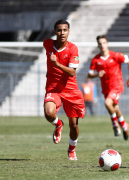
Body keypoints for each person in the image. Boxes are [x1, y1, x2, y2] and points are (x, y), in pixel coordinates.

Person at [43, 19, 85, 160]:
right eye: (59, 30)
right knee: (49, 113)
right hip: (54, 89)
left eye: (65, 30)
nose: (62, 33)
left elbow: (72, 72)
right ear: (55, 32)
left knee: (74, 126)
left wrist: (56, 63)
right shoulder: (47, 44)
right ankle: (59, 124)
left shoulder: (73, 49)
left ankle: (71, 149)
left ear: (68, 32)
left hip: (71, 91)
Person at [88, 35, 129, 140]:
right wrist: (97, 74)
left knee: (107, 103)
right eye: (100, 44)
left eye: (104, 43)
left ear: (107, 44)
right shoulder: (96, 60)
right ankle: (124, 125)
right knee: (114, 108)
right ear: (98, 45)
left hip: (117, 85)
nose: (102, 45)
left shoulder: (115, 55)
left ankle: (115, 125)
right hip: (106, 88)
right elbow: (89, 75)